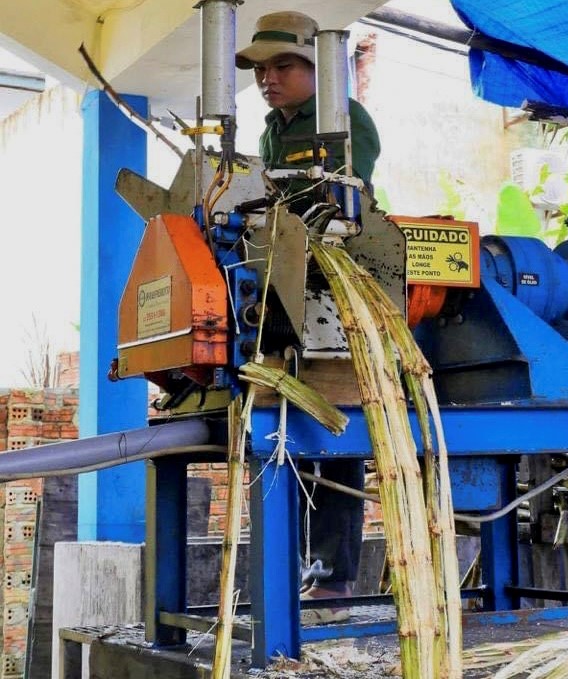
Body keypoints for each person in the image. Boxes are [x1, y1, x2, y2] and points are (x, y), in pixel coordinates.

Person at [236, 11, 381, 623]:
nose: (268, 79)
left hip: (336, 285)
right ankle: (285, 571)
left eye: (281, 66)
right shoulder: (273, 127)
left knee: (334, 443)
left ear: (316, 67)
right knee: (278, 445)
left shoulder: (346, 119)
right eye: (261, 69)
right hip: (282, 288)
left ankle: (335, 580)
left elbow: (343, 197)